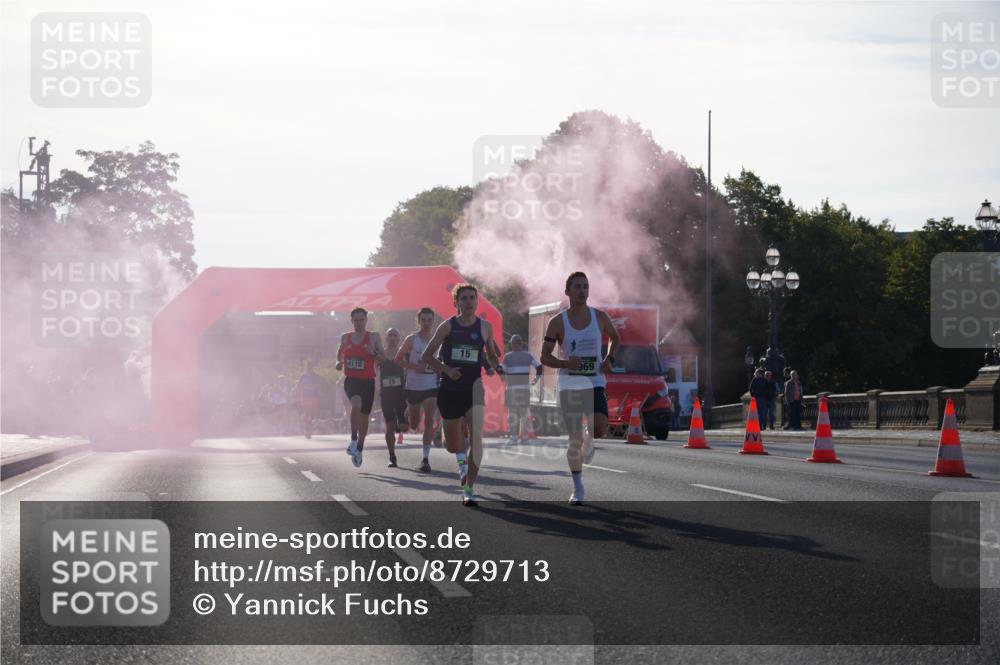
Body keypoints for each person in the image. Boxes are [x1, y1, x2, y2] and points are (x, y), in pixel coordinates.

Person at [540, 271, 620, 505]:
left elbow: (615, 338)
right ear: (567, 292)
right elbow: (545, 356)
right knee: (573, 439)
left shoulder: (600, 317)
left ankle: (590, 437)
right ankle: (578, 488)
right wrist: (565, 363)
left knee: (599, 428)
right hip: (569, 384)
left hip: (594, 381)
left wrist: (609, 359)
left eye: (585, 287)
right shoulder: (558, 322)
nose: (582, 291)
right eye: (577, 287)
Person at [421, 283, 503, 506]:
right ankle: (448, 438)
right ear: (456, 303)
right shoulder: (447, 327)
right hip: (449, 391)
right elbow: (427, 356)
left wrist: (498, 367)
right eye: (464, 298)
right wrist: (447, 369)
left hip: (474, 389)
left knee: (477, 438)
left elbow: (493, 355)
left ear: (477, 301)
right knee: (452, 445)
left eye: (472, 298)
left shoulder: (485, 327)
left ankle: (469, 488)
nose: (469, 302)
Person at [335, 307, 386, 468]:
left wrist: (372, 353)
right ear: (352, 321)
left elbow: (383, 358)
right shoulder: (345, 337)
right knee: (355, 405)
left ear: (366, 320)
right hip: (351, 380)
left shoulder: (373, 337)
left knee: (365, 417)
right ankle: (353, 439)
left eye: (361, 320)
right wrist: (338, 362)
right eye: (356, 320)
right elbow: (339, 354)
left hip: (368, 382)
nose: (359, 323)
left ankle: (360, 448)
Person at [396, 307, 440, 473]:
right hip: (413, 386)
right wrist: (415, 367)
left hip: (431, 385)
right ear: (419, 321)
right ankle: (410, 411)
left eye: (429, 320)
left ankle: (425, 459)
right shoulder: (411, 339)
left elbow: (441, 359)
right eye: (424, 320)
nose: (427, 323)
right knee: (414, 425)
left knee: (429, 420)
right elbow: (397, 360)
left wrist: (439, 368)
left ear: (433, 321)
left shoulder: (438, 339)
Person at [500, 334, 542, 444]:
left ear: (512, 344)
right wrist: (536, 380)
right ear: (521, 343)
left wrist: (504, 379)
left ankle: (514, 437)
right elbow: (539, 367)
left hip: (512, 389)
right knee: (523, 414)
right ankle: (523, 437)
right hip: (524, 389)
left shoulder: (507, 357)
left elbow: (502, 372)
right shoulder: (528, 356)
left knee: (512, 413)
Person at [379, 328, 408, 468]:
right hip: (386, 394)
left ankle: (399, 423)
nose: (392, 338)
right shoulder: (381, 354)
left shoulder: (403, 353)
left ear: (399, 338)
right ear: (386, 338)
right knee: (389, 427)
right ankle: (392, 456)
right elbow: (373, 370)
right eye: (390, 335)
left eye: (395, 335)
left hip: (401, 393)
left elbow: (411, 368)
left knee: (404, 426)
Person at [293, 360, 322, 439]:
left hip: (314, 396)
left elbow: (318, 385)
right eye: (308, 367)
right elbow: (299, 385)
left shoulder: (316, 376)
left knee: (312, 414)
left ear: (312, 368)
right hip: (305, 396)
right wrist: (298, 395)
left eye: (311, 367)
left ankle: (309, 426)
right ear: (307, 368)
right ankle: (307, 429)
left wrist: (317, 391)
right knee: (306, 412)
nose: (310, 368)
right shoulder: (303, 376)